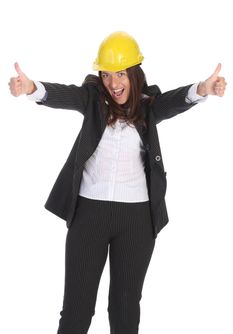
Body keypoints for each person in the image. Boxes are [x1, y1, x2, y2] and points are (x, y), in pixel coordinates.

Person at [9, 31, 226, 334]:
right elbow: (64, 94)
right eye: (107, 74)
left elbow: (174, 102)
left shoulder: (149, 107)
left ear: (134, 74)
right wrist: (31, 88)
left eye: (121, 73)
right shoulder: (93, 100)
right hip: (89, 215)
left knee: (125, 310)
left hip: (136, 219)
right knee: (76, 310)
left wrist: (203, 89)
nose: (113, 83)